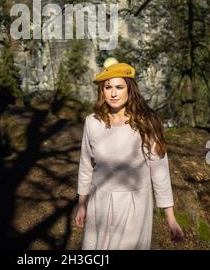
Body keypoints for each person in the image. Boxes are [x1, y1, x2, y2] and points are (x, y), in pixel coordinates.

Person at [75, 58, 185, 250]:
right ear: (102, 90)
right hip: (99, 204)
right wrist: (82, 204)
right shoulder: (92, 122)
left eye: (119, 87)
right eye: (108, 87)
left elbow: (159, 173)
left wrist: (171, 218)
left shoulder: (147, 123)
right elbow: (86, 165)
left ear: (130, 89)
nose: (114, 93)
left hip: (135, 208)